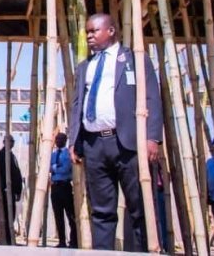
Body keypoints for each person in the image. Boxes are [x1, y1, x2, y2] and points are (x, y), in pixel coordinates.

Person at [69, 13, 163, 251]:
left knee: (139, 206)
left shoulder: (134, 59)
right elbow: (77, 104)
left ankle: (140, 251)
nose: (89, 36)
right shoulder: (84, 67)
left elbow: (152, 96)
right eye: (88, 32)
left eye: (94, 31)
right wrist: (74, 140)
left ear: (111, 31)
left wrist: (152, 137)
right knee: (101, 211)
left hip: (128, 143)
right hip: (94, 145)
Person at [50, 132, 77, 248]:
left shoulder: (68, 154)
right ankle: (61, 241)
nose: (58, 141)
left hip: (65, 186)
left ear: (65, 140)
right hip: (55, 187)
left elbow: (65, 169)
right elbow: (49, 167)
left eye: (60, 139)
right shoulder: (53, 154)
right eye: (57, 139)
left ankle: (73, 240)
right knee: (58, 215)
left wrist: (55, 168)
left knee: (71, 215)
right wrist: (56, 167)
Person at [0, 135, 23, 245]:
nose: (12, 143)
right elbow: (0, 174)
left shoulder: (12, 155)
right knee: (7, 216)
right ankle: (7, 239)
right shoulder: (0, 155)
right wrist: (4, 187)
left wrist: (18, 191)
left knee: (11, 215)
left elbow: (17, 174)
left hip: (12, 190)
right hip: (6, 190)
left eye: (13, 141)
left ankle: (10, 238)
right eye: (10, 141)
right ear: (4, 142)